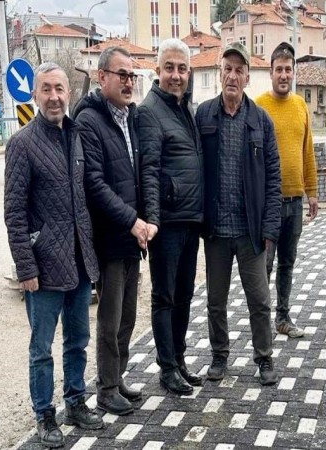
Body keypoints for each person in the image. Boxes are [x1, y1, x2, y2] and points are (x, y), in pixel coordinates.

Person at [4, 62, 103, 448]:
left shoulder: (75, 137)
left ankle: (75, 402)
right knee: (41, 348)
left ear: (69, 93)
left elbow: (84, 199)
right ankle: (45, 414)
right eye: (46, 89)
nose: (54, 97)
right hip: (43, 266)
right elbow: (14, 212)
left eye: (59, 89)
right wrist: (25, 267)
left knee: (78, 339)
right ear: (35, 95)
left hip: (78, 261)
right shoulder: (22, 144)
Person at [196, 42, 281, 385]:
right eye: (227, 69)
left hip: (250, 230)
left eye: (239, 70)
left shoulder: (261, 120)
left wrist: (270, 227)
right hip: (216, 230)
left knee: (259, 300)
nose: (232, 76)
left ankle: (264, 357)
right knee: (215, 300)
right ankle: (219, 355)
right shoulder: (204, 115)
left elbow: (273, 177)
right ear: (221, 74)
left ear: (247, 77)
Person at [73, 46, 145, 416]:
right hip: (110, 237)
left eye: (132, 76)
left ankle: (117, 379)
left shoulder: (129, 117)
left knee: (128, 317)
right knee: (110, 318)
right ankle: (105, 389)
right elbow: (95, 184)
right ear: (102, 77)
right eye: (122, 75)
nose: (128, 82)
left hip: (131, 237)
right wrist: (131, 220)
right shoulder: (90, 121)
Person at [137, 38, 203, 396]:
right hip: (166, 222)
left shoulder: (184, 107)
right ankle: (167, 368)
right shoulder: (150, 111)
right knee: (164, 297)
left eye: (181, 69)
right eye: (169, 68)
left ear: (188, 72)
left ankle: (179, 359)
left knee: (184, 295)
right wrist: (152, 219)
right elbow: (149, 170)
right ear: (158, 71)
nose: (175, 75)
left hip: (189, 219)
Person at [255, 42, 318, 339]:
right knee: (264, 265)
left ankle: (283, 317)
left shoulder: (301, 106)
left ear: (294, 73)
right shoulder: (258, 106)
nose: (283, 75)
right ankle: (262, 321)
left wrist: (312, 191)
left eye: (288, 70)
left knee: (288, 263)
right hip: (267, 203)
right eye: (278, 69)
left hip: (294, 201)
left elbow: (307, 151)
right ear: (270, 72)